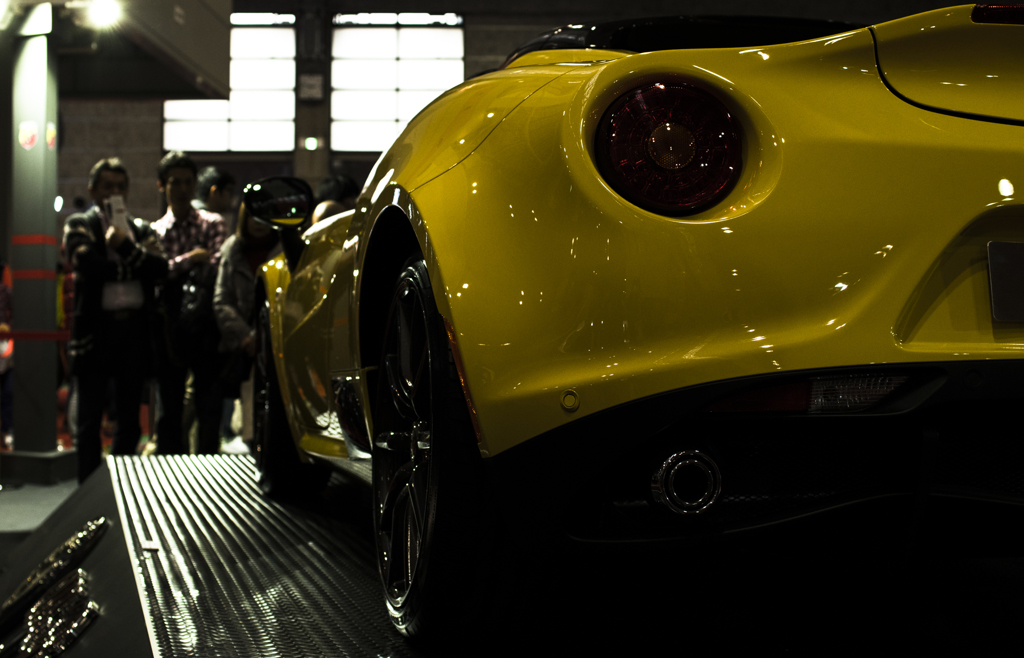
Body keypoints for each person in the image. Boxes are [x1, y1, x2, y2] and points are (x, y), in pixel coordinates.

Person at [62, 158, 168, 482]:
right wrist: (135, 263)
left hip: (134, 331)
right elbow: (86, 264)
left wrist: (122, 247)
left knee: (130, 419)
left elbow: (160, 269)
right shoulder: (80, 223)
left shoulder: (141, 228)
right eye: (107, 186)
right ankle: (87, 491)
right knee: (89, 419)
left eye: (120, 186)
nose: (114, 192)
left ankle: (120, 487)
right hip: (97, 330)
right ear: (93, 189)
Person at [151, 151, 230, 455]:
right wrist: (190, 258)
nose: (182, 189)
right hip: (169, 325)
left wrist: (172, 265)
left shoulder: (213, 223)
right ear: (162, 185)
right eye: (174, 183)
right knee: (169, 405)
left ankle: (208, 476)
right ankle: (169, 473)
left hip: (206, 323)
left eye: (187, 182)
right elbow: (156, 272)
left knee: (208, 405)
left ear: (195, 183)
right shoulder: (155, 229)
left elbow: (216, 264)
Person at [214, 203, 280, 445]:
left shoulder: (284, 249)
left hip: (278, 344)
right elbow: (221, 300)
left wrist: (265, 337)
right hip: (243, 346)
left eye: (264, 216)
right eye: (253, 216)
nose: (258, 223)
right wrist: (246, 337)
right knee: (247, 412)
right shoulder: (231, 249)